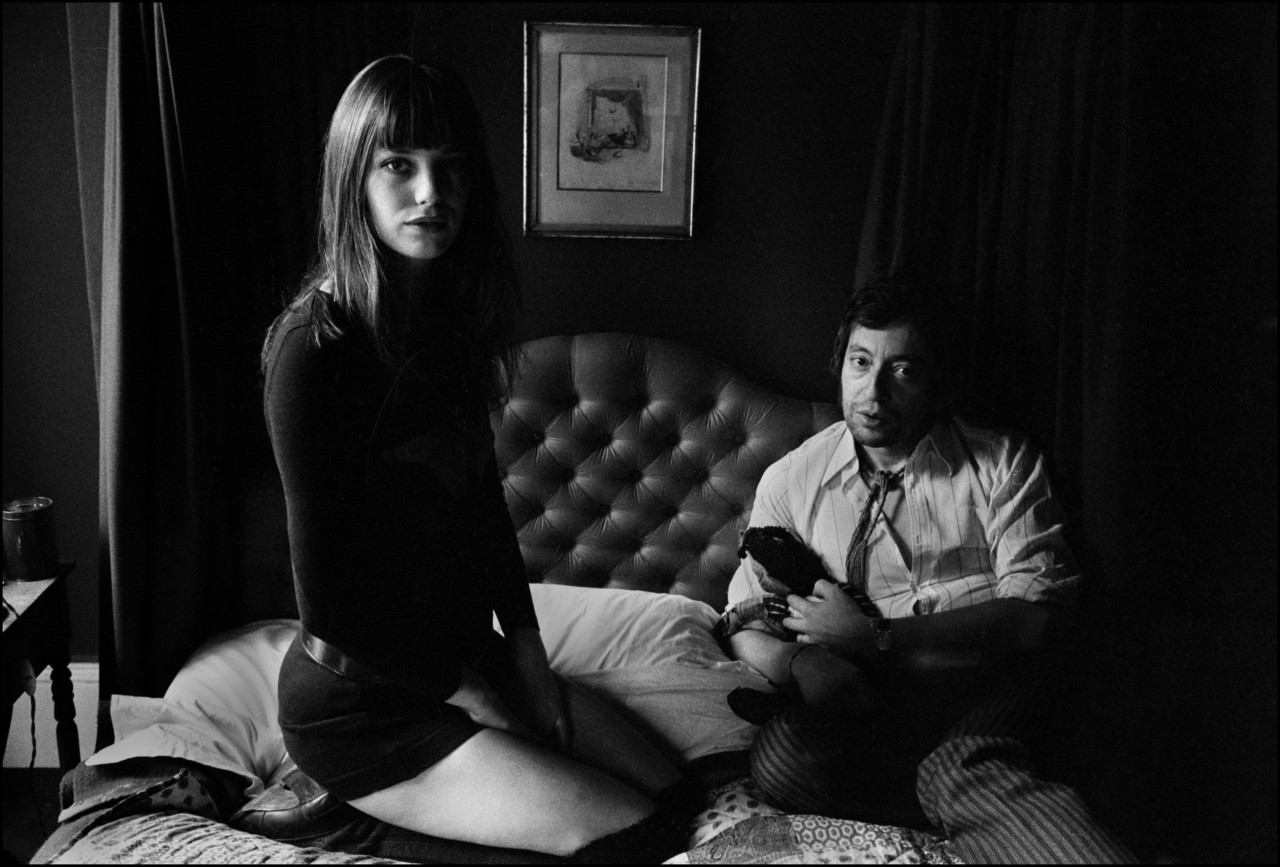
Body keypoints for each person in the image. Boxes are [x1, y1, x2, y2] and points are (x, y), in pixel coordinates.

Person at [260, 55, 689, 863]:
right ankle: (347, 816)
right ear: (354, 177)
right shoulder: (310, 352)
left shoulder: (449, 325)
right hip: (362, 699)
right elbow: (329, 600)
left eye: (450, 167)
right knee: (625, 837)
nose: (431, 192)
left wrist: (524, 647)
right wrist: (473, 697)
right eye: (399, 165)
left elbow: (481, 502)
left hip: (462, 654)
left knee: (672, 799)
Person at [721, 277, 1137, 863]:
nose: (873, 392)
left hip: (994, 684)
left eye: (903, 370)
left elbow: (1036, 621)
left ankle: (973, 791)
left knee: (959, 763)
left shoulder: (1003, 461)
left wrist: (878, 637)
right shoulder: (790, 481)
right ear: (840, 365)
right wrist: (802, 661)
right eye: (860, 363)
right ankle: (992, 815)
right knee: (781, 758)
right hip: (884, 711)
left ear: (937, 384)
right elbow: (741, 621)